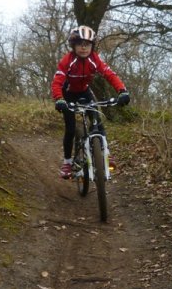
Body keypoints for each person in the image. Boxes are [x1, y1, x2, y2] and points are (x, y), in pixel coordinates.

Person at [51, 25, 130, 179]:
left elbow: (109, 74)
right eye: (80, 44)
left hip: (85, 92)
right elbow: (57, 82)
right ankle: (67, 162)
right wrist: (59, 99)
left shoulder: (94, 59)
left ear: (92, 46)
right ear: (73, 46)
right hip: (67, 95)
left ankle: (106, 154)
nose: (83, 48)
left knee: (97, 122)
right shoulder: (67, 60)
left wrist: (122, 90)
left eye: (87, 44)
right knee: (71, 129)